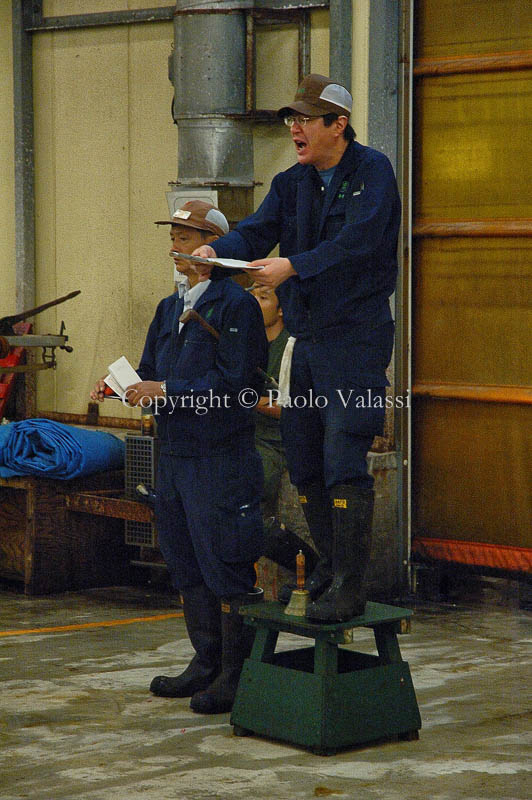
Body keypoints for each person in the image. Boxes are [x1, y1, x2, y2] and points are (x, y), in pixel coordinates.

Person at [191, 74, 401, 623]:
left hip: (355, 340)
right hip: (307, 344)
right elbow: (257, 231)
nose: (295, 128)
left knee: (341, 456)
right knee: (305, 461)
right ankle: (330, 570)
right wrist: (217, 249)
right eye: (292, 119)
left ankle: (352, 585)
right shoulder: (292, 182)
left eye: (307, 119)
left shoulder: (373, 172)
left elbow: (359, 241)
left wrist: (295, 265)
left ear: (339, 125)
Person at [91, 200, 268, 714]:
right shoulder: (170, 308)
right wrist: (127, 387)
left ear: (212, 250)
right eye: (173, 236)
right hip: (173, 456)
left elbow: (236, 386)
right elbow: (150, 368)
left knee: (225, 563)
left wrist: (167, 388)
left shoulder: (236, 308)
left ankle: (237, 672)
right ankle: (205, 661)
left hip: (218, 458)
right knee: (185, 562)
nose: (175, 247)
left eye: (186, 238)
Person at [250, 284, 317, 575]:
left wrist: (255, 402)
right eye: (251, 296)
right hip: (243, 433)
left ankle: (312, 569)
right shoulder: (244, 342)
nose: (254, 303)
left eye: (263, 298)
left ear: (281, 310)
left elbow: (298, 405)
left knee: (254, 496)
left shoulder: (293, 347)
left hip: (276, 440)